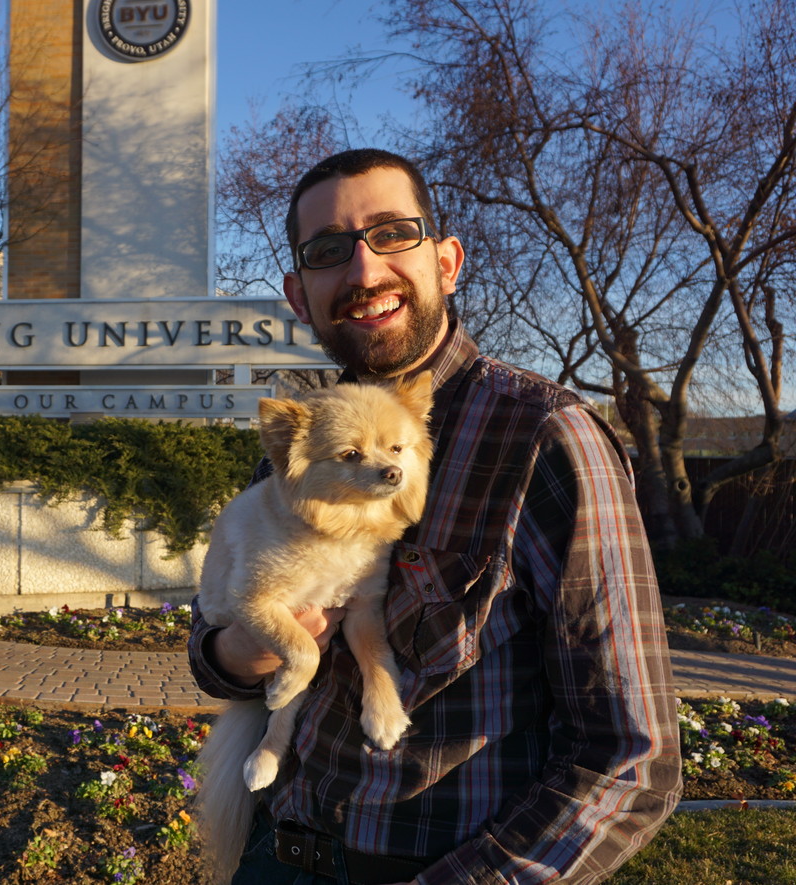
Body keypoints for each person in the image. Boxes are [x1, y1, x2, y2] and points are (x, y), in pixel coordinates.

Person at [188, 148, 682, 884]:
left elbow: (631, 758)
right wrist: (238, 651)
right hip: (276, 851)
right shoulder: (300, 442)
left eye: (392, 233)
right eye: (330, 250)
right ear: (299, 293)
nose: (363, 272)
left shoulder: (546, 436)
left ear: (447, 261)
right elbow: (213, 646)